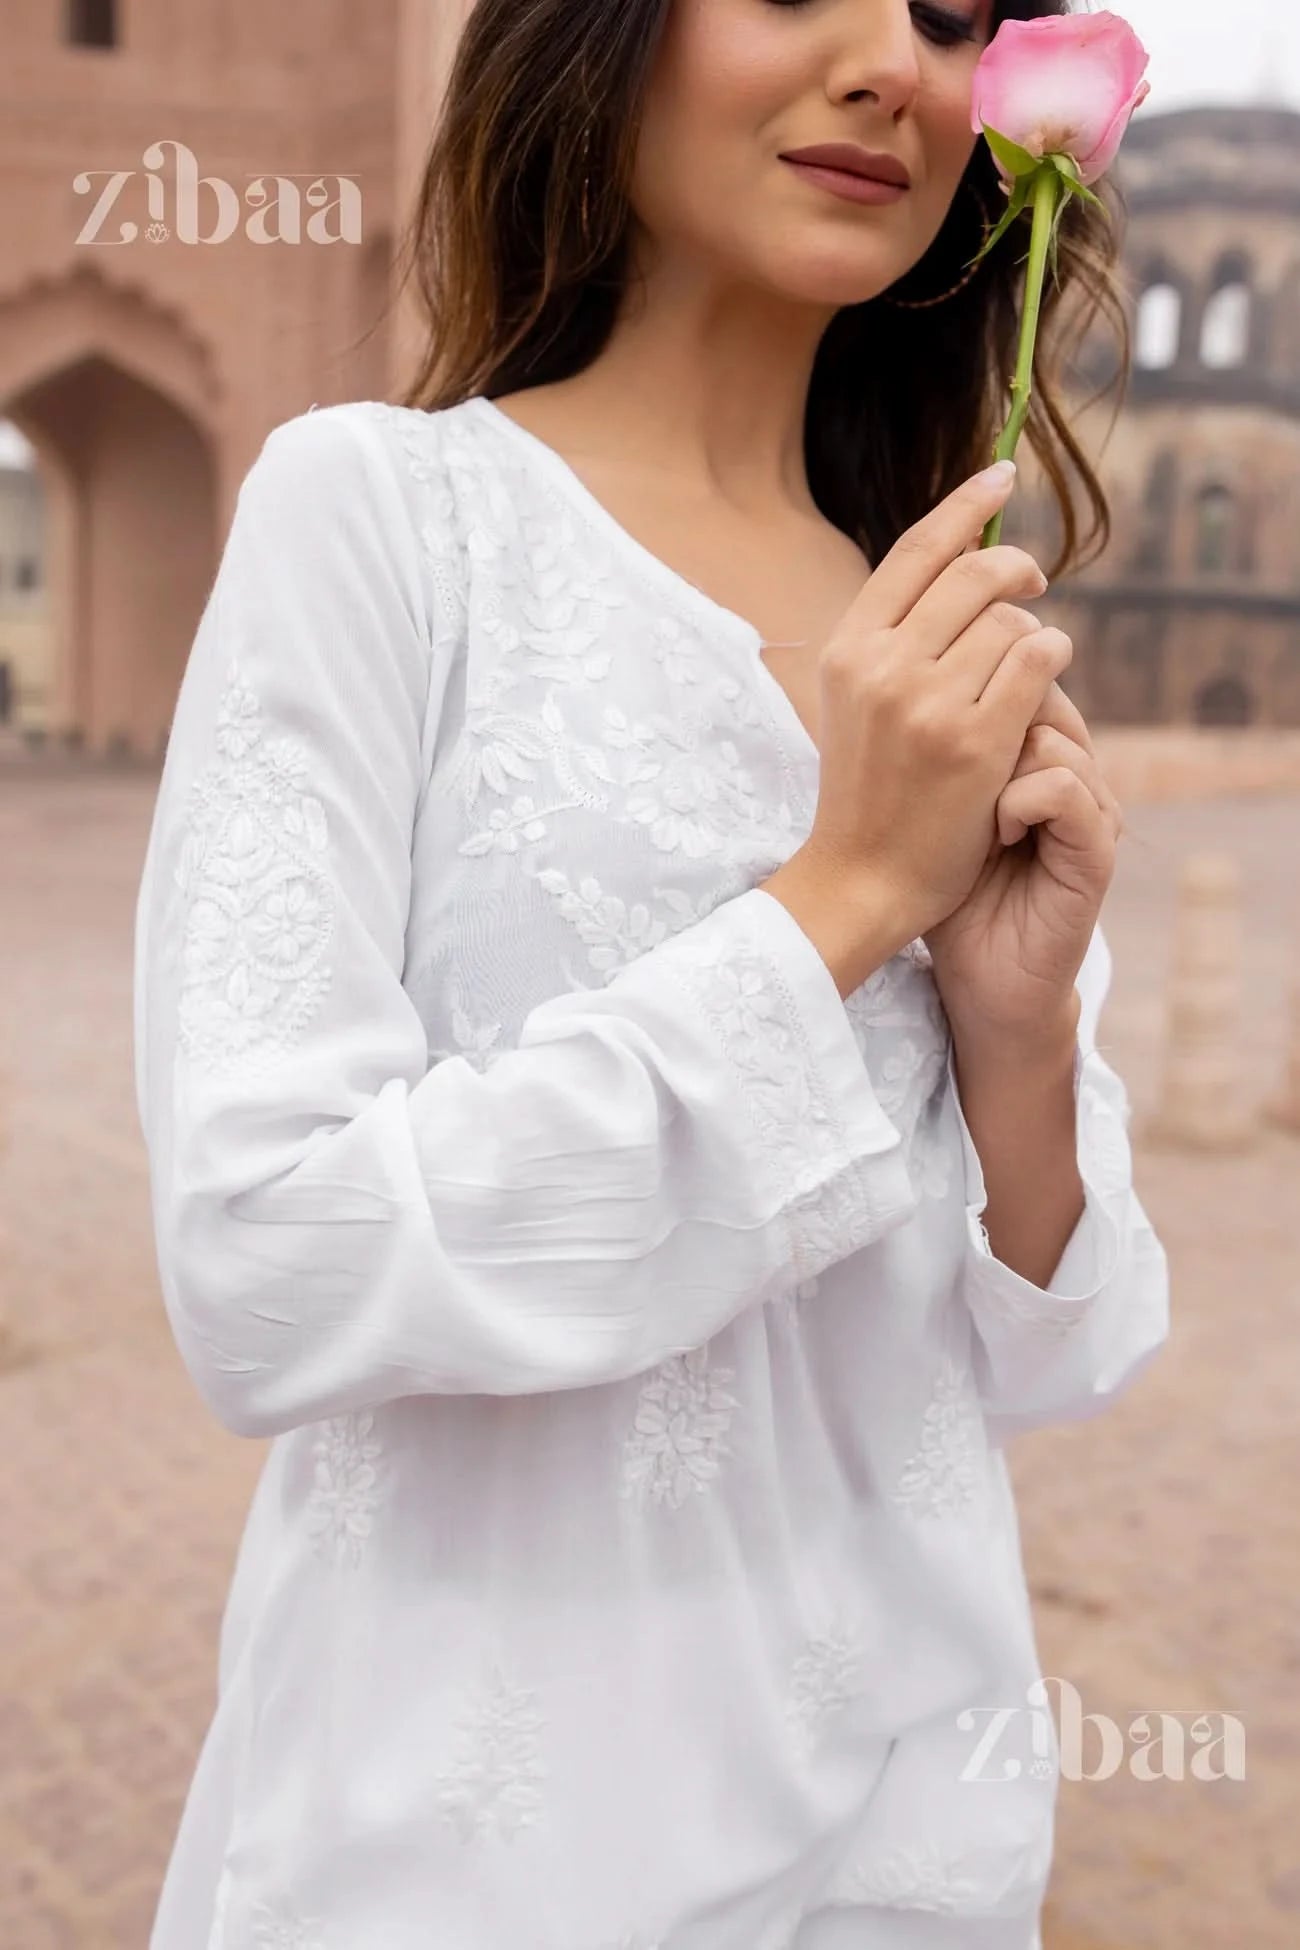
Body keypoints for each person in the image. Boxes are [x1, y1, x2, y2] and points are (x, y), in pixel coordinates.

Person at [132, 0, 1169, 1945]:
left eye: (950, 16)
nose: (892, 63)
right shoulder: (384, 521)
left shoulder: (930, 624)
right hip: (476, 1849)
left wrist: (1015, 1033)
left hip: (908, 1847)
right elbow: (265, 1271)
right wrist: (841, 898)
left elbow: (1062, 1350)